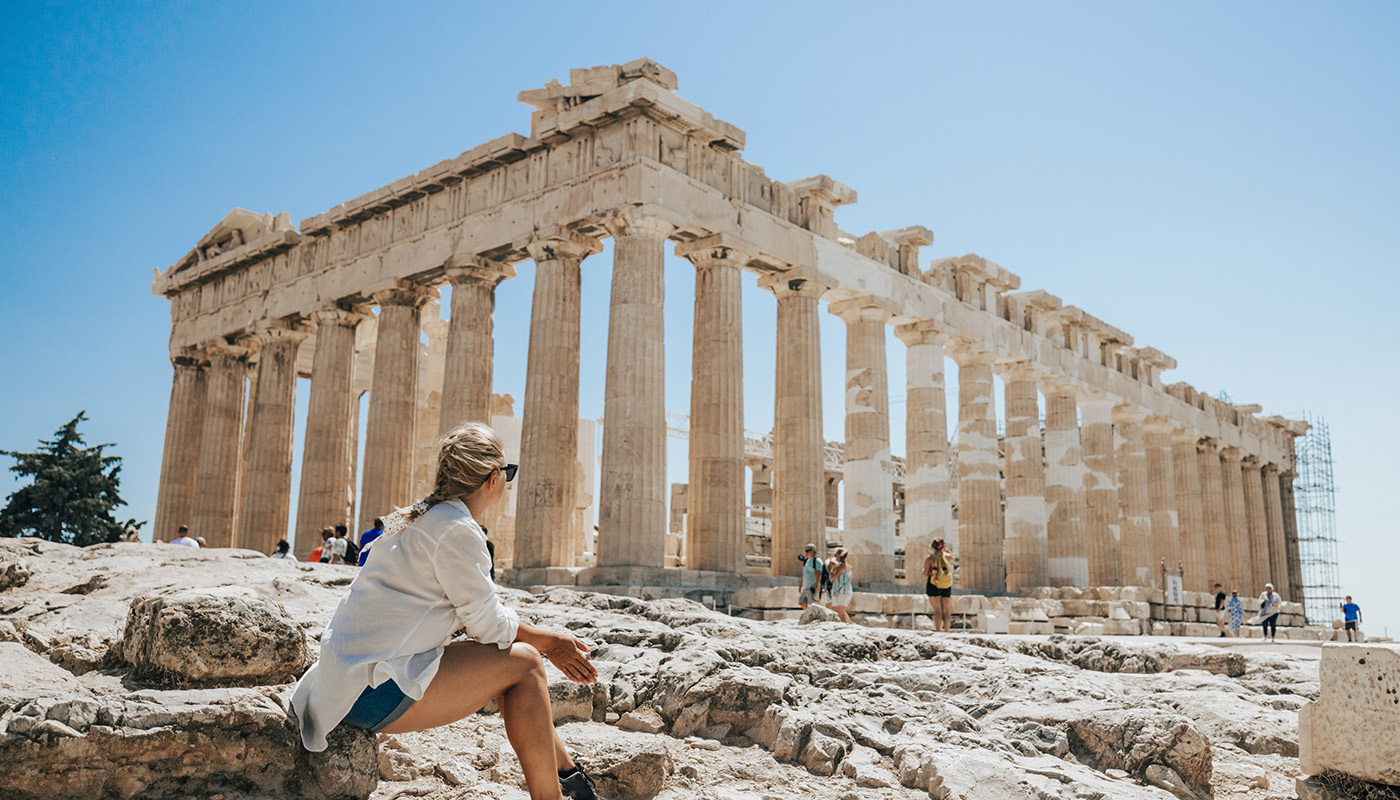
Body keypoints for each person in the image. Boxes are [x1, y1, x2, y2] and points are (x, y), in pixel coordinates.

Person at [290, 423, 598, 800]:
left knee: (513, 661)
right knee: (526, 663)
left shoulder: (418, 516)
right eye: (509, 474)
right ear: (493, 478)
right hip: (368, 692)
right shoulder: (456, 529)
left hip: (347, 678)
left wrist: (536, 638)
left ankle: (570, 778)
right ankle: (555, 794)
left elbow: (482, 618)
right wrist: (550, 641)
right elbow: (486, 624)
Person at [923, 539, 955, 632]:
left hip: (934, 584)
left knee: (937, 610)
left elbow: (925, 573)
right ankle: (947, 631)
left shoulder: (929, 559)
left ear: (932, 547)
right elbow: (953, 556)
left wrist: (924, 571)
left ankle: (938, 631)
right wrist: (945, 549)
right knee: (946, 610)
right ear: (942, 546)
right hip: (946, 585)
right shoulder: (947, 557)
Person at [827, 548, 852, 623]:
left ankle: (848, 629)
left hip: (842, 592)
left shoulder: (841, 566)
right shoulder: (846, 565)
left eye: (835, 555)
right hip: (842, 591)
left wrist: (831, 568)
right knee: (838, 611)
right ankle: (850, 625)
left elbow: (832, 577)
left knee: (841, 613)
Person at [797, 544, 823, 610]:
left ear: (813, 551)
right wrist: (800, 585)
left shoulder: (817, 560)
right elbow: (804, 573)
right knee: (801, 602)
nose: (806, 552)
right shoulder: (806, 561)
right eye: (806, 550)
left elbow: (819, 573)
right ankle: (809, 613)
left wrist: (817, 585)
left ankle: (812, 615)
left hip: (812, 587)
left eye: (808, 550)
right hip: (806, 586)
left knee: (812, 604)